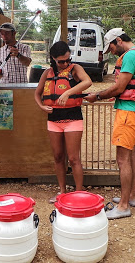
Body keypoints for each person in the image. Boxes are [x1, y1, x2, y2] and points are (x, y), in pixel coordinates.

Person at [85, 28, 135, 220]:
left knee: (122, 159)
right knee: (130, 154)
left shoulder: (131, 56)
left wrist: (97, 96)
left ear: (118, 40)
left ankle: (123, 207)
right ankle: (132, 196)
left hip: (128, 113)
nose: (112, 52)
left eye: (112, 47)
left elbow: (119, 87)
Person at [34, 41, 92, 203]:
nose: (65, 63)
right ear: (53, 58)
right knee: (58, 157)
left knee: (73, 158)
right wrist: (41, 107)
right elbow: (37, 94)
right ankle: (62, 191)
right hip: (53, 119)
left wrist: (68, 92)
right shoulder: (47, 73)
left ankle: (79, 193)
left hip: (73, 117)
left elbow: (87, 82)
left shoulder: (76, 69)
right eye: (61, 61)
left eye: (68, 59)